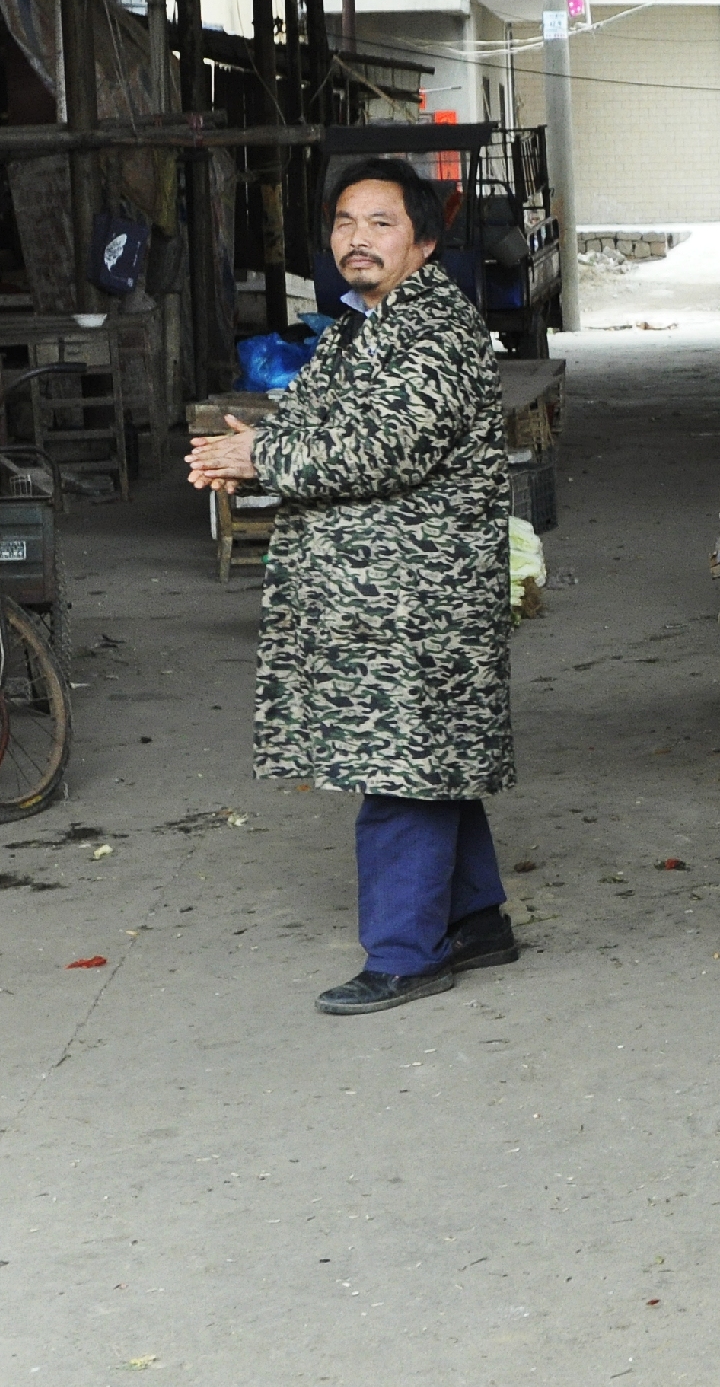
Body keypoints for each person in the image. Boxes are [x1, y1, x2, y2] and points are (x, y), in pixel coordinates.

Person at [187, 158, 518, 1017]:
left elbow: (379, 447)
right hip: (378, 597)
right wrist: (247, 446)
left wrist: (259, 456)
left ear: (425, 240)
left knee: (398, 768)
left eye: (380, 223)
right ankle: (477, 919)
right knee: (427, 752)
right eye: (344, 222)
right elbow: (313, 419)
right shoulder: (359, 325)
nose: (357, 240)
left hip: (417, 601)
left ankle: (407, 953)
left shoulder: (433, 332)